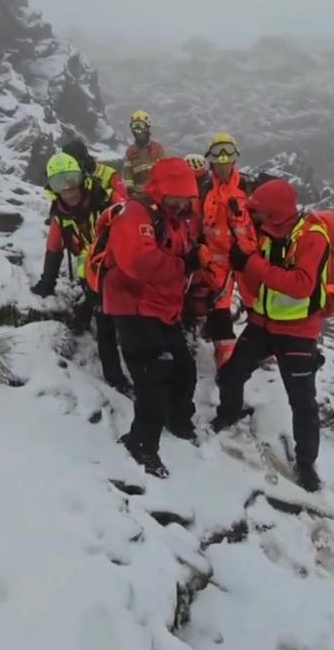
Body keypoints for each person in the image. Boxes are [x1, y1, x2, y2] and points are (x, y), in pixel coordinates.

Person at [210, 179, 330, 492]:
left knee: (303, 403)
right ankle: (229, 412)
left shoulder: (313, 238)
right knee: (230, 373)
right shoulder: (269, 235)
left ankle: (306, 466)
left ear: (275, 214)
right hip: (263, 323)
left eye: (260, 214)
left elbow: (302, 284)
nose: (255, 219)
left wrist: (251, 264)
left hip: (297, 332)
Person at [103, 158, 204, 477]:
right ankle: (141, 445)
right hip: (133, 307)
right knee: (154, 375)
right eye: (177, 194)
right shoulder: (136, 214)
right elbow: (140, 263)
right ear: (161, 191)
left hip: (163, 307)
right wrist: (185, 265)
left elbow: (176, 259)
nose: (183, 201)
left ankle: (178, 421)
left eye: (186, 195)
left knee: (185, 369)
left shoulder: (175, 219)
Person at [31, 152, 132, 394]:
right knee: (105, 324)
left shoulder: (108, 199)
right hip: (94, 279)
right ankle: (115, 379)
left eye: (71, 180)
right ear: (52, 189)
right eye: (60, 184)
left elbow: (132, 227)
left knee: (132, 324)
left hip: (122, 269)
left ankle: (144, 371)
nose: (69, 190)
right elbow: (54, 249)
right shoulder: (60, 218)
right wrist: (47, 283)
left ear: (81, 177)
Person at [196, 133, 261, 368]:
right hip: (216, 263)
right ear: (210, 159)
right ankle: (225, 361)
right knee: (219, 311)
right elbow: (196, 221)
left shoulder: (249, 186)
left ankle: (260, 351)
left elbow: (262, 222)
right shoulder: (203, 189)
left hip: (248, 259)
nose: (223, 161)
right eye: (218, 154)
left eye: (228, 154)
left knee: (257, 305)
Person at [62, 139, 128, 203]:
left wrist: (104, 195)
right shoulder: (69, 179)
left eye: (71, 164)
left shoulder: (110, 175)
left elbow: (123, 200)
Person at [123, 110, 167, 197]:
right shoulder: (130, 151)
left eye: (140, 125)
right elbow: (127, 172)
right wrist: (130, 189)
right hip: (138, 194)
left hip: (156, 192)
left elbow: (164, 170)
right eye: (135, 126)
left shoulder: (157, 148)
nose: (138, 130)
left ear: (147, 128)